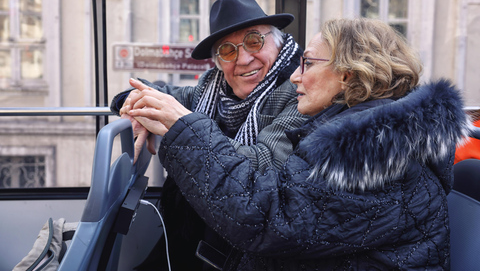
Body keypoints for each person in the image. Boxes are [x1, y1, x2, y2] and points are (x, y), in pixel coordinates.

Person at [126, 17, 472, 270]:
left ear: (348, 73)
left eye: (306, 63)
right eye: (228, 51)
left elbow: (262, 218)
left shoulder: (368, 151)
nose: (294, 76)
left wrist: (184, 129)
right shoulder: (354, 129)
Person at [111, 0, 307, 270]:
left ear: (277, 42)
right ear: (217, 60)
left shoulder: (299, 92)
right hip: (196, 234)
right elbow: (165, 94)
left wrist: (184, 127)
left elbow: (263, 163)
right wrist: (132, 100)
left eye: (254, 41)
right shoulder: (214, 89)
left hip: (245, 249)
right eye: (228, 50)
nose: (243, 59)